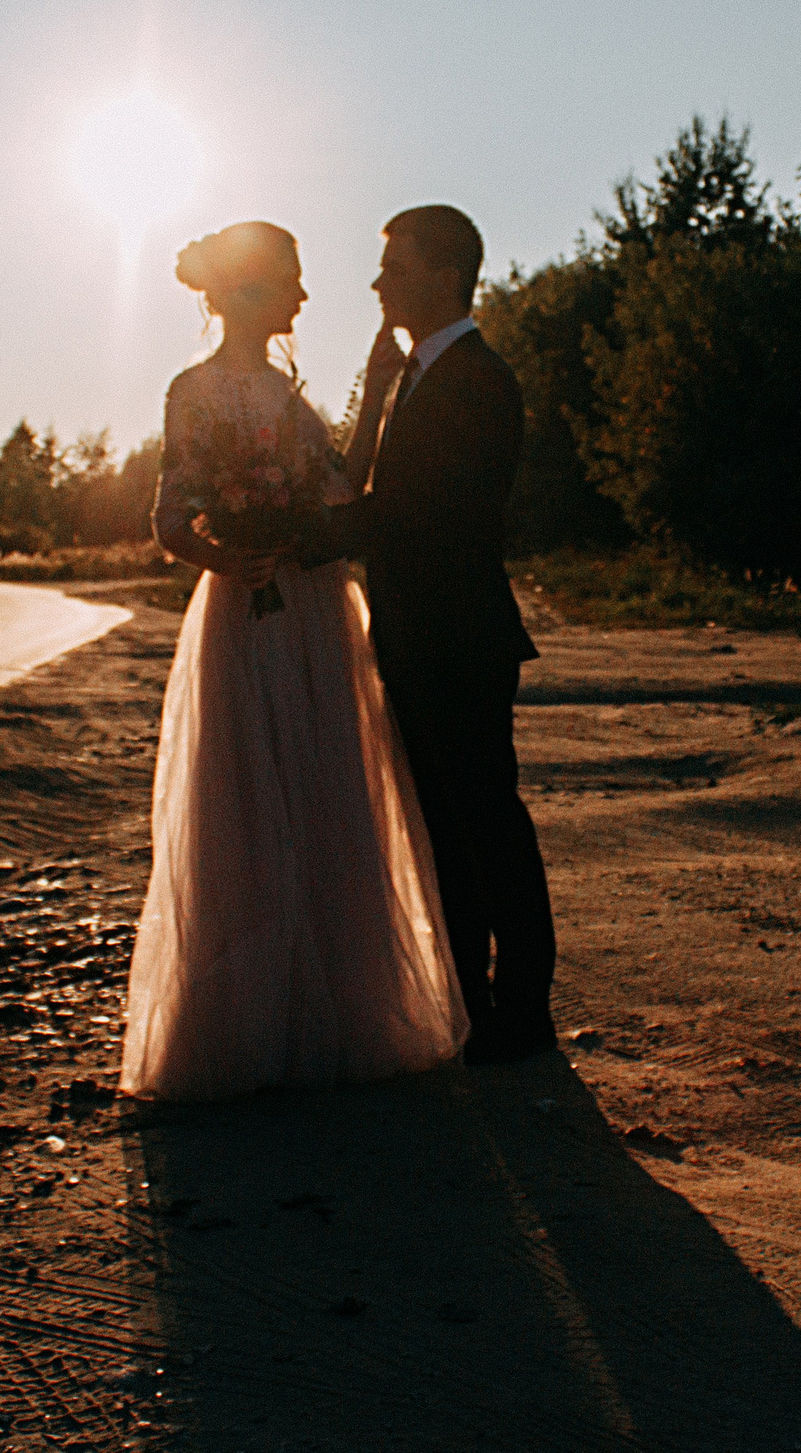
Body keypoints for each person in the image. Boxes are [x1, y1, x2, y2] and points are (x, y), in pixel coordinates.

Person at [119, 220, 466, 1102]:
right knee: (246, 798)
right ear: (248, 293)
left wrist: (380, 390)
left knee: (324, 795)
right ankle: (243, 1024)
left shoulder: (288, 394)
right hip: (245, 612)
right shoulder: (191, 392)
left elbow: (340, 491)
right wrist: (231, 557)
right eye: (293, 283)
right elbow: (168, 521)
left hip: (312, 612)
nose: (306, 298)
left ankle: (336, 1011)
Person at [307, 204, 558, 1065]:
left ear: (445, 276)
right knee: (444, 825)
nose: (379, 282)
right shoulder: (418, 375)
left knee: (487, 817)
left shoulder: (479, 382)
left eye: (395, 266)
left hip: (460, 634)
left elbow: (421, 512)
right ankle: (471, 1002)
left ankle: (523, 1010)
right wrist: (374, 394)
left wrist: (304, 537)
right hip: (416, 634)